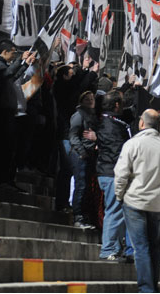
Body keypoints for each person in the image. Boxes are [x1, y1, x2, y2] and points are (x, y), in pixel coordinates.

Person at [114, 109, 160, 293]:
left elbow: (121, 173)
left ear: (142, 123)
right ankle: (153, 285)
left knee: (141, 247)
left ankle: (146, 288)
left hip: (134, 201)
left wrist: (119, 195)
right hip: (156, 203)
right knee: (154, 246)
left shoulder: (133, 143)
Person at [0, 39, 36, 188]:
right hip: (1, 109)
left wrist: (25, 64)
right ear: (4, 52)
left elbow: (13, 77)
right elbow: (7, 74)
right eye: (13, 53)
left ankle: (8, 178)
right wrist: (20, 60)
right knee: (3, 146)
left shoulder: (4, 66)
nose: (14, 56)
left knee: (10, 147)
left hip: (9, 110)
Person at [96, 89, 133, 260]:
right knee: (115, 210)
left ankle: (116, 248)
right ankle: (108, 249)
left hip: (106, 171)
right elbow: (119, 150)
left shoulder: (104, 122)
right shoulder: (115, 125)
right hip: (112, 173)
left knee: (117, 211)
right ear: (117, 105)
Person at [68, 91, 98, 228]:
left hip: (90, 154)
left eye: (92, 98)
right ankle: (77, 216)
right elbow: (73, 136)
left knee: (86, 186)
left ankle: (84, 215)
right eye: (87, 99)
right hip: (80, 154)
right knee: (81, 185)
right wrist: (81, 152)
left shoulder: (94, 116)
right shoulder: (78, 115)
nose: (90, 100)